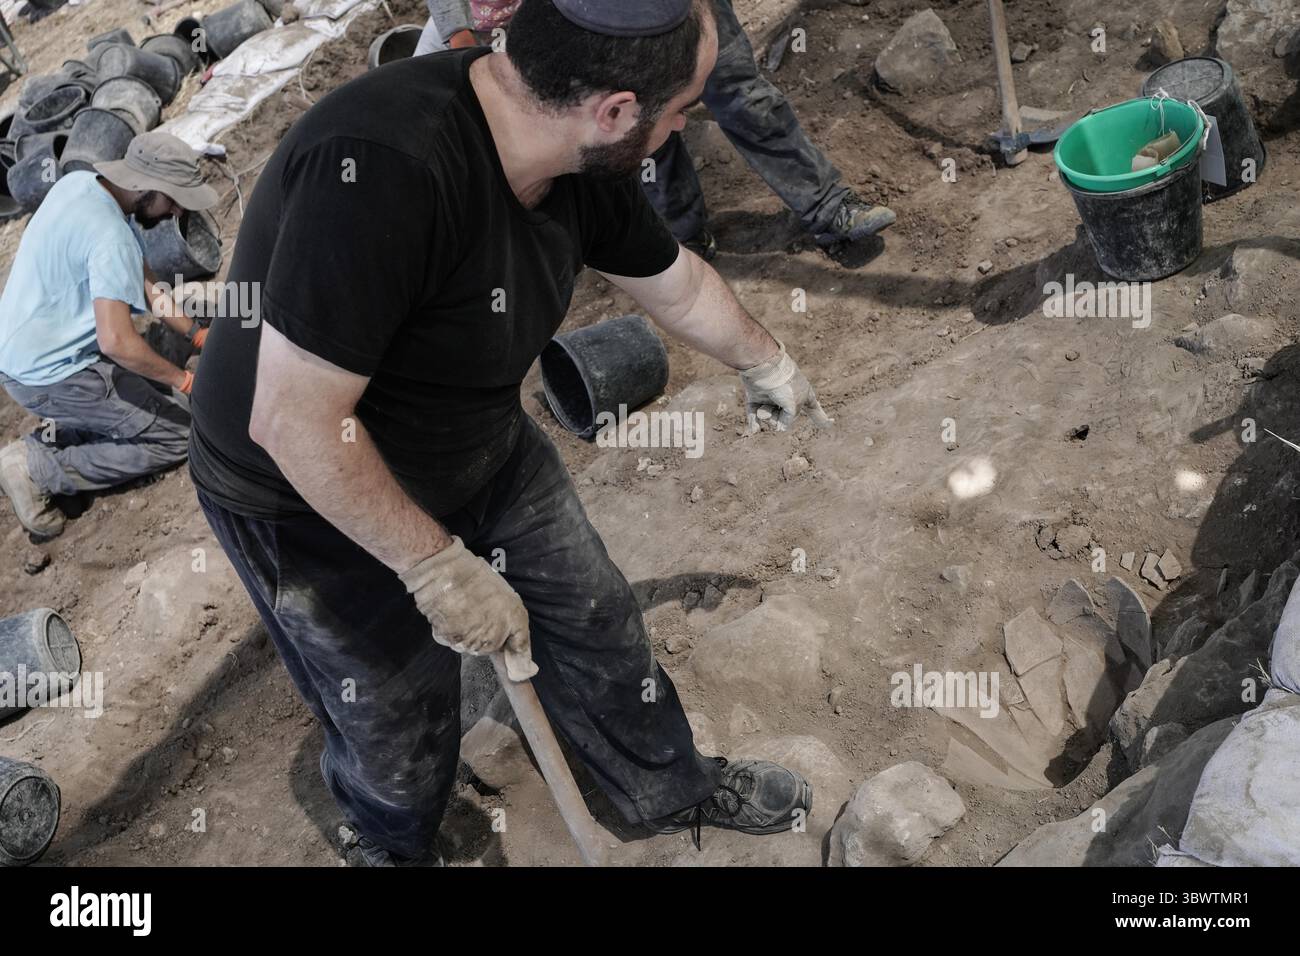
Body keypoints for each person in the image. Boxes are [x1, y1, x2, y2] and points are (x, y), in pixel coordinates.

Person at [189, 0, 828, 866]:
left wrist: (768, 362)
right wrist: (431, 563)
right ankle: (392, 843)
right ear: (613, 111)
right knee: (398, 722)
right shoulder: (382, 166)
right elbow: (294, 420)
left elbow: (673, 284)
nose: (688, 125)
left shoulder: (577, 165)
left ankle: (667, 786)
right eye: (681, 110)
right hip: (304, 490)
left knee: (596, 617)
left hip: (474, 435)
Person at [415, 0, 895, 258]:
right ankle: (682, 240)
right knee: (640, 131)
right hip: (588, 17)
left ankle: (830, 211)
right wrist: (460, 31)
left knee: (740, 93)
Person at [0, 132, 219, 540]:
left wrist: (196, 333)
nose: (174, 212)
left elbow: (146, 281)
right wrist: (185, 380)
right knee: (175, 435)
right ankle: (37, 470)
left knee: (150, 402)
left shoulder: (80, 185)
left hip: (24, 348)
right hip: (51, 372)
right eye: (173, 200)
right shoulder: (110, 237)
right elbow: (117, 343)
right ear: (149, 188)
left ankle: (49, 446)